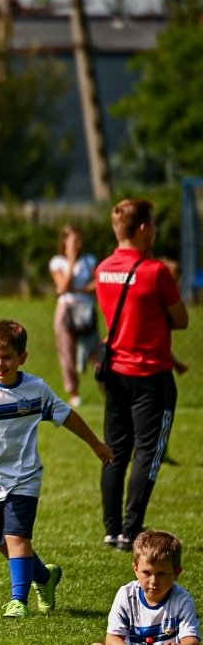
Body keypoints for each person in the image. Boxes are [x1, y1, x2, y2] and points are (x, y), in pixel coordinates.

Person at [0, 320, 114, 618]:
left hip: (24, 476)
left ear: (22, 358)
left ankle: (19, 600)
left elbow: (67, 417)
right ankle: (44, 576)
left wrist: (96, 444)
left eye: (7, 357)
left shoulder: (35, 390)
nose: (0, 364)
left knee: (18, 537)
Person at [95, 198, 188, 551]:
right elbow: (181, 320)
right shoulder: (156, 271)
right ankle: (132, 528)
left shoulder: (103, 269)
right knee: (148, 452)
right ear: (145, 228)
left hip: (116, 373)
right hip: (151, 374)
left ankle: (111, 527)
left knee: (115, 450)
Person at [86, 530, 200, 645]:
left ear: (176, 572)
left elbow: (192, 642)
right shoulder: (126, 595)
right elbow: (112, 639)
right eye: (147, 573)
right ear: (135, 569)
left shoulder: (182, 600)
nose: (154, 581)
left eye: (162, 574)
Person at [48, 224, 100, 406]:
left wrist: (78, 289)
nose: (78, 245)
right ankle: (74, 392)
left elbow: (98, 282)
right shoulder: (58, 262)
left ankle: (106, 387)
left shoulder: (89, 260)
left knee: (95, 351)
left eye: (80, 241)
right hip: (66, 311)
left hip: (86, 310)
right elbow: (63, 286)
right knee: (67, 352)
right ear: (65, 242)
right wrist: (71, 261)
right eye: (74, 241)